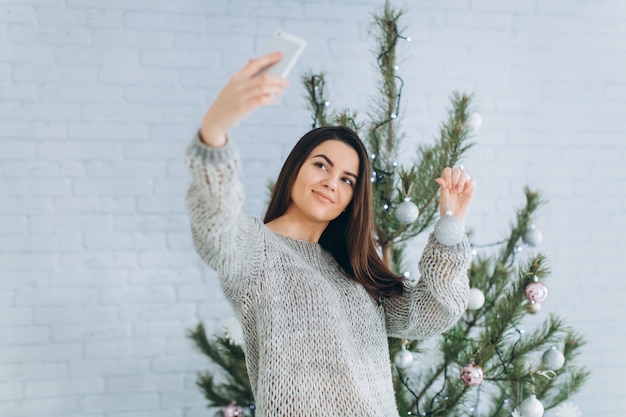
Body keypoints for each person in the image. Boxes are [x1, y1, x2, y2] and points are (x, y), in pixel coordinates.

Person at [185, 52, 476, 417]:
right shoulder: (253, 250)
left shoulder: (356, 272)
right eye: (321, 165)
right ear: (295, 169)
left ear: (352, 200)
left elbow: (435, 311)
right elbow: (216, 223)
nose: (330, 182)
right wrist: (214, 132)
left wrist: (450, 227)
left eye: (347, 180)